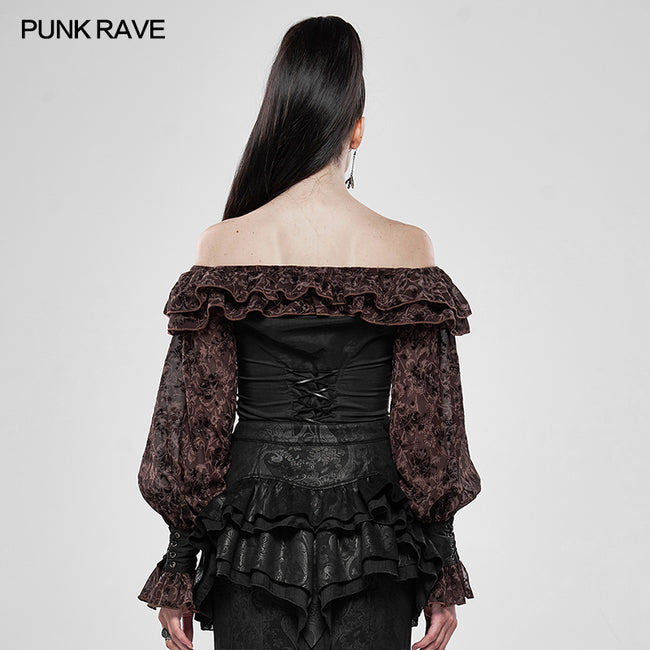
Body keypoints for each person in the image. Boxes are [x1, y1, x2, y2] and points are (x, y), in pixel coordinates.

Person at [137, 15, 481, 650]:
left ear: (281, 118)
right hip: (375, 544)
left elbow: (195, 426)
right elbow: (427, 429)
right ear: (357, 128)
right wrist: (441, 564)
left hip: (250, 542)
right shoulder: (408, 250)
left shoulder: (223, 247)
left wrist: (180, 562)